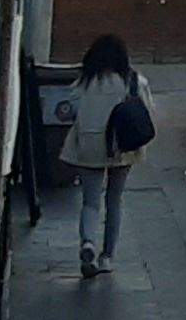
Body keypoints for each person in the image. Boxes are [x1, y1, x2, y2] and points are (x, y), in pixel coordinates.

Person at [58, 36, 149, 279]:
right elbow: (146, 111)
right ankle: (107, 256)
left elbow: (68, 112)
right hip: (123, 148)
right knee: (114, 200)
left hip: (89, 147)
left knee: (90, 201)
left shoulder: (82, 85)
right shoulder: (133, 82)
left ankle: (87, 242)